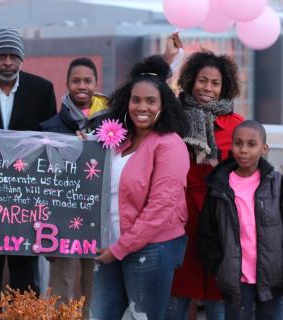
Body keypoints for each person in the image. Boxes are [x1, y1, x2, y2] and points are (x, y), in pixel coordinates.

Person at [90, 55, 190, 320]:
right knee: (99, 315)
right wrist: (83, 148)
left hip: (151, 249)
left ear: (163, 105)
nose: (141, 107)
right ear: (126, 102)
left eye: (150, 101)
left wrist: (121, 248)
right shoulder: (116, 141)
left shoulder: (170, 145)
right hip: (109, 245)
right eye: (136, 100)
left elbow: (160, 207)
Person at [0, 28, 57, 305]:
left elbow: (49, 137)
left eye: (13, 56)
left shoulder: (42, 89)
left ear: (22, 58)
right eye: (1, 56)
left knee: (25, 268)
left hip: (25, 196)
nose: (7, 62)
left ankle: (24, 313)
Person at [165, 35, 244, 320]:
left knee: (217, 302)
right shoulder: (172, 116)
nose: (207, 88)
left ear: (225, 88)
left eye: (215, 83)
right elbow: (147, 96)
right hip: (179, 222)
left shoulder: (237, 126)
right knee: (174, 300)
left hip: (218, 226)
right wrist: (167, 59)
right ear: (190, 80)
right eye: (202, 80)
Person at [39, 57, 108, 318]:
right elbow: (42, 182)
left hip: (97, 217)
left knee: (96, 282)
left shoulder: (112, 128)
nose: (82, 86)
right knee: (61, 284)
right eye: (76, 80)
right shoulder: (50, 129)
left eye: (87, 81)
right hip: (62, 219)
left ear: (95, 84)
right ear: (67, 84)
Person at [198, 120, 283, 320]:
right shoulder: (219, 186)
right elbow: (207, 233)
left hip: (273, 278)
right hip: (236, 281)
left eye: (251, 144)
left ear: (264, 149)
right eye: (238, 143)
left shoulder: (278, 185)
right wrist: (219, 267)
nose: (243, 150)